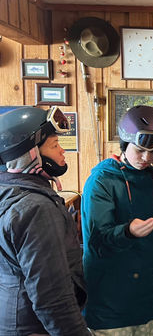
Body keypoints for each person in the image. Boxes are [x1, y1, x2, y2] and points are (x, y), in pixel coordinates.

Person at [81, 105, 153, 334]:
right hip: (109, 303)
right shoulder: (102, 181)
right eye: (140, 150)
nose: (146, 158)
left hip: (147, 300)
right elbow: (97, 241)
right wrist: (128, 232)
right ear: (124, 143)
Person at [0, 106, 89, 335]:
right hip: (35, 327)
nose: (62, 152)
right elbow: (53, 299)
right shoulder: (36, 209)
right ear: (30, 154)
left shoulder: (9, 191)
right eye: (54, 145)